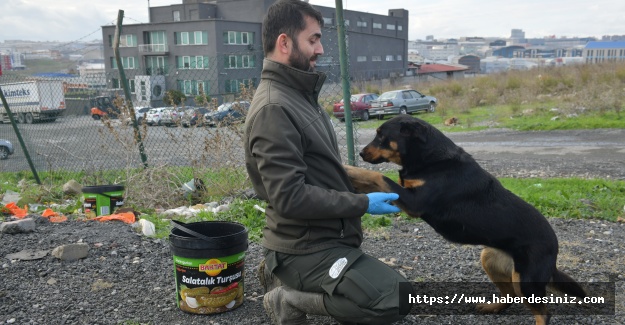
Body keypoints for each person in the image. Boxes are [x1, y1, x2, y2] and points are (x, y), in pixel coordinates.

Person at [243, 0, 411, 324]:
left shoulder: (299, 97)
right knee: (396, 301)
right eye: (313, 39)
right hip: (302, 248)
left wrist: (375, 184)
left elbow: (320, 170)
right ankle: (288, 297)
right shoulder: (273, 109)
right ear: (284, 42)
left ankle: (299, 281)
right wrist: (362, 203)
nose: (320, 48)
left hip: (326, 239)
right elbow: (289, 196)